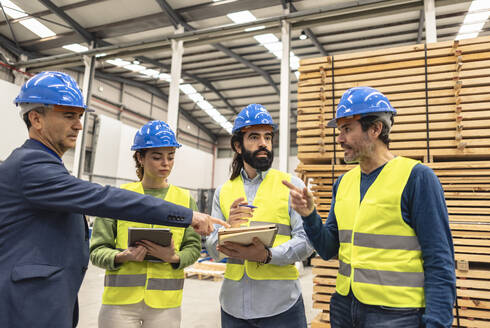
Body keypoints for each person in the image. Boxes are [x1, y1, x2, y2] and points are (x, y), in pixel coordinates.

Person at [0, 71, 228, 328]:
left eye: (79, 116)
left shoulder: (43, 166)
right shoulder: (32, 166)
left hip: (43, 302)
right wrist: (189, 216)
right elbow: (104, 199)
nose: (78, 125)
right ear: (36, 118)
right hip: (27, 306)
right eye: (68, 115)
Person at [283, 86, 456, 328]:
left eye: (346, 129)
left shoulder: (417, 178)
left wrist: (437, 324)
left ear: (375, 129)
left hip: (397, 315)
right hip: (345, 308)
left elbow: (440, 260)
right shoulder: (343, 183)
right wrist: (309, 216)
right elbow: (328, 249)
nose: (339, 138)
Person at [204, 104, 314, 328]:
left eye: (268, 137)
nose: (263, 143)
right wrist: (227, 230)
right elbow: (213, 251)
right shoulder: (223, 192)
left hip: (282, 306)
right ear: (237, 145)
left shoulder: (292, 185)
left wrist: (267, 255)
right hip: (233, 307)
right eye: (254, 137)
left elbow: (308, 241)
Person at [90, 120, 201, 328]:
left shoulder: (185, 200)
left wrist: (175, 257)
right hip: (119, 304)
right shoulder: (117, 199)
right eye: (157, 157)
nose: (165, 163)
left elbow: (194, 247)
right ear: (140, 157)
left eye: (170, 157)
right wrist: (121, 256)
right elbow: (96, 250)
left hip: (165, 305)